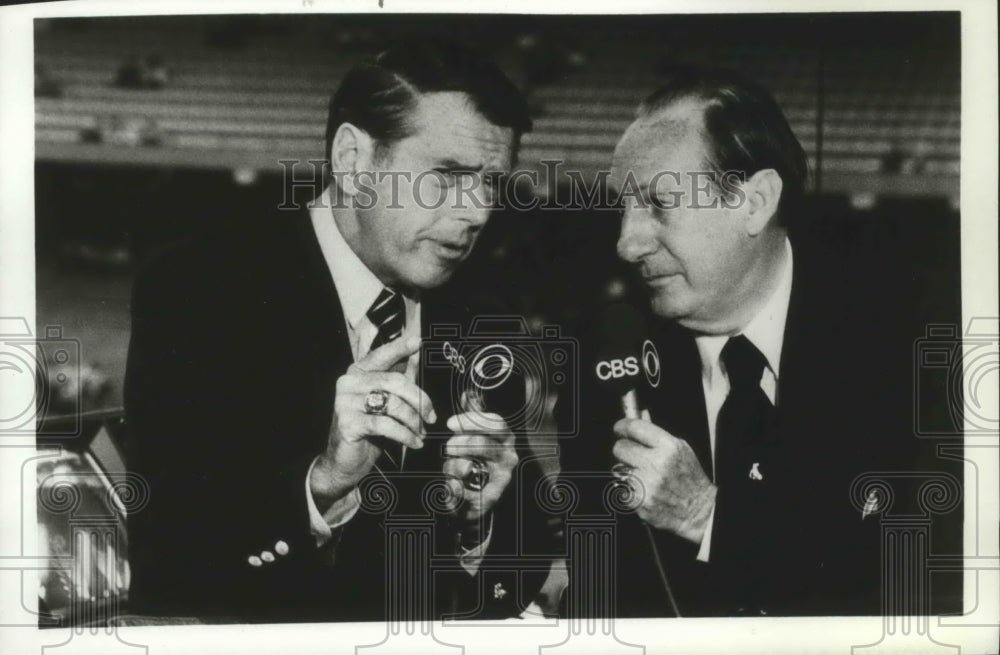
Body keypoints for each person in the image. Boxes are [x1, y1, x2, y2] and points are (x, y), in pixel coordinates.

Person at [124, 41, 553, 623]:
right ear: (352, 160)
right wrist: (321, 487)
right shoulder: (202, 289)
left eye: (492, 184)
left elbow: (520, 570)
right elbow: (168, 564)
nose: (477, 211)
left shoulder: (485, 313)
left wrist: (477, 522)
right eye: (448, 175)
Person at [556, 66, 962, 617]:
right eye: (622, 208)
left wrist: (709, 517)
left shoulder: (911, 349)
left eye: (658, 204)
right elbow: (607, 600)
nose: (627, 243)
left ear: (754, 201)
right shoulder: (602, 368)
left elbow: (930, 586)